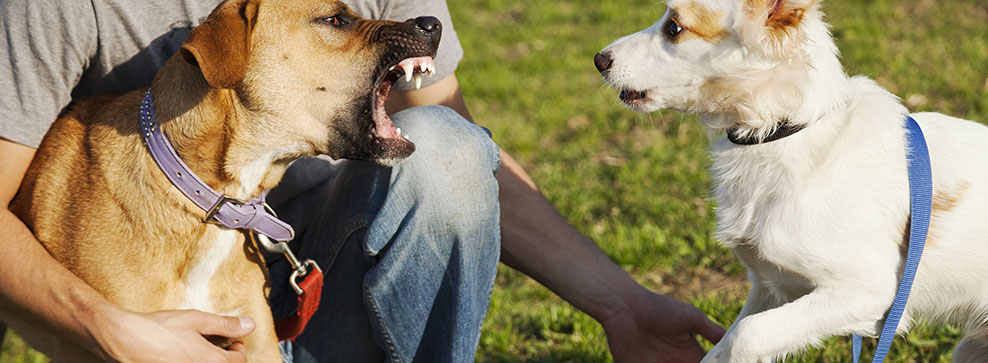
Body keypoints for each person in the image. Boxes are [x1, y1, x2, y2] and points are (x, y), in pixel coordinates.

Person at [0, 0, 725, 362]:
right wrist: (107, 325)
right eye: (337, 20)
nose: (368, 26)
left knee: (446, 143)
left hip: (333, 267)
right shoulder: (57, 8)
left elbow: (463, 165)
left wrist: (622, 304)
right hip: (125, 275)